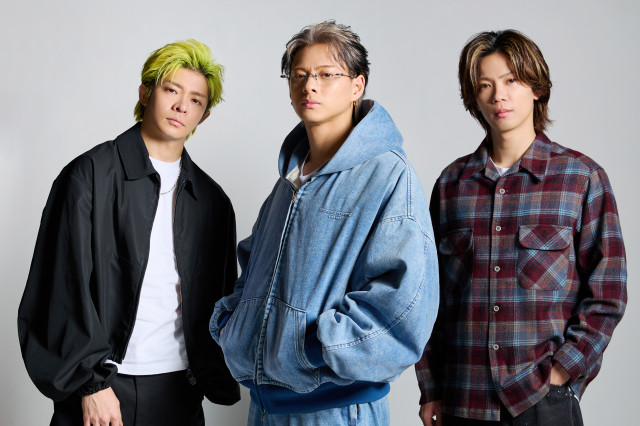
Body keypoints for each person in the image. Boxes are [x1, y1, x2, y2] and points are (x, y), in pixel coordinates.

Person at [209, 21, 439, 425]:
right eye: (299, 75)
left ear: (357, 85)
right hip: (265, 408)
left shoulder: (387, 175)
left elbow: (405, 303)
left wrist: (313, 347)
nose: (309, 86)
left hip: (337, 410)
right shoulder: (290, 181)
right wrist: (233, 325)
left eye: (327, 74)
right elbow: (255, 267)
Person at [18, 39, 240, 426]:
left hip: (180, 389)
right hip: (104, 389)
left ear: (202, 116)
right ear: (145, 93)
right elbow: (60, 287)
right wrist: (90, 385)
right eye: (171, 90)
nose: (181, 106)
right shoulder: (88, 176)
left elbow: (220, 299)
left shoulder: (212, 201)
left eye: (195, 100)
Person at [415, 29, 627, 426]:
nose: (499, 95)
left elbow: (608, 292)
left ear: (536, 88)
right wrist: (431, 387)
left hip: (542, 402)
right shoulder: (451, 185)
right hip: (462, 400)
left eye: (511, 80)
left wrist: (563, 371)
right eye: (485, 85)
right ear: (474, 97)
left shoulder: (581, 178)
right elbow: (427, 298)